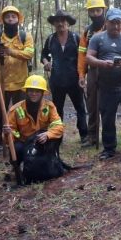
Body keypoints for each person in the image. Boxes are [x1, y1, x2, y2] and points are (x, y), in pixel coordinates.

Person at [85, 7, 121, 159]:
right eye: (112, 22)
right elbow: (89, 57)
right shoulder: (97, 38)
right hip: (106, 86)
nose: (115, 26)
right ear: (106, 22)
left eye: (118, 22)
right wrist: (102, 63)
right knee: (107, 117)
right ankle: (109, 148)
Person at [0, 5, 34, 151]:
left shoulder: (25, 36)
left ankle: (22, 139)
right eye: (7, 17)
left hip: (21, 83)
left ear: (18, 19)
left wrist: (10, 51)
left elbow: (29, 53)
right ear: (3, 20)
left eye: (13, 16)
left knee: (21, 113)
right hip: (1, 83)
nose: (11, 19)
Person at [2, 75, 65, 182]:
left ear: (42, 93)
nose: (34, 94)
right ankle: (15, 168)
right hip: (24, 143)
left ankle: (51, 161)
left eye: (37, 91)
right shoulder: (16, 109)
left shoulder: (49, 107)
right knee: (16, 148)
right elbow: (9, 136)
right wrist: (7, 134)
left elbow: (58, 125)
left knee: (56, 137)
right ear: (26, 92)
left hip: (41, 141)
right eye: (31, 91)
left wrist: (48, 135)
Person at [41, 9, 87, 143]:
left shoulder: (76, 38)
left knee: (80, 108)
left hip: (75, 80)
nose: (60, 23)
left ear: (67, 23)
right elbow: (43, 54)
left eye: (63, 21)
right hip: (57, 81)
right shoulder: (50, 39)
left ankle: (84, 135)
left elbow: (83, 57)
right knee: (57, 109)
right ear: (54, 24)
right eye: (57, 21)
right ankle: (57, 136)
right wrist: (46, 62)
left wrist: (83, 76)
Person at [77, 0, 108, 148]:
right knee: (92, 104)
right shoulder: (87, 33)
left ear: (103, 10)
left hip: (109, 71)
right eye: (92, 11)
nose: (95, 14)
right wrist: (82, 75)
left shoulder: (111, 27)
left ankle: (108, 137)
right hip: (93, 71)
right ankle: (92, 136)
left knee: (107, 105)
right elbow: (82, 55)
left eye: (98, 10)